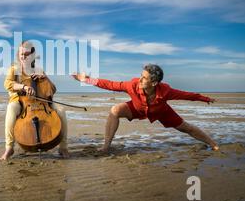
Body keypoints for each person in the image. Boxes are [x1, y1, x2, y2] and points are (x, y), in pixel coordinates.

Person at [72, 64, 219, 152]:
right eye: (141, 75)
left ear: (154, 83)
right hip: (136, 108)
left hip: (161, 111)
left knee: (187, 128)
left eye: (144, 78)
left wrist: (204, 99)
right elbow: (109, 84)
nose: (140, 79)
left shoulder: (166, 91)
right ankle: (105, 147)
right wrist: (86, 79)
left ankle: (213, 144)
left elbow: (186, 95)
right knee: (115, 110)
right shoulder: (133, 85)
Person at [0, 41, 69, 160]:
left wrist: (45, 78)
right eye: (21, 54)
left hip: (42, 102)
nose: (23, 57)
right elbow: (8, 84)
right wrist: (23, 87)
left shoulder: (38, 69)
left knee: (61, 110)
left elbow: (52, 89)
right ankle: (9, 147)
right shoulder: (14, 68)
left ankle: (63, 147)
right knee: (11, 108)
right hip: (20, 101)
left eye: (26, 54)